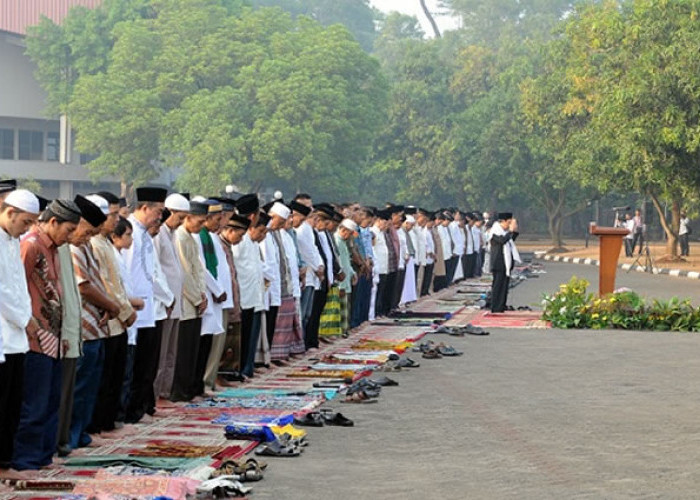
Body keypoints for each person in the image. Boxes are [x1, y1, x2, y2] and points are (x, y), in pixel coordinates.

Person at [14, 199, 80, 471]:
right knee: (35, 404)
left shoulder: (54, 248)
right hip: (34, 338)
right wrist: (30, 324)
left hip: (53, 337)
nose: (71, 236)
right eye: (69, 229)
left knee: (52, 400)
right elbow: (17, 288)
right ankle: (25, 459)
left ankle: (43, 456)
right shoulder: (31, 244)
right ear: (53, 222)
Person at [0, 189, 40, 478]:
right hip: (4, 331)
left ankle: (6, 461)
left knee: (13, 403)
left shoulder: (13, 241)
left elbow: (19, 286)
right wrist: (24, 318)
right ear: (9, 212)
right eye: (25, 222)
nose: (27, 229)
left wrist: (29, 316)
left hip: (16, 336)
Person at [123, 187, 167, 423]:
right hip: (135, 309)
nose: (159, 216)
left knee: (146, 363)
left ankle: (139, 409)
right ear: (144, 208)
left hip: (148, 307)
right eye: (158, 211)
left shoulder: (144, 234)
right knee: (137, 364)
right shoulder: (132, 233)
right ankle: (132, 412)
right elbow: (127, 272)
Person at [170, 201, 208, 401]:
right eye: (199, 222)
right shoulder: (179, 238)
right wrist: (196, 297)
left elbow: (199, 270)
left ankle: (189, 389)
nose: (201, 226)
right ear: (188, 218)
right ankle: (180, 392)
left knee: (192, 348)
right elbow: (183, 272)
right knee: (183, 350)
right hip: (185, 302)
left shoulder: (191, 238)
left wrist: (202, 294)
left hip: (196, 301)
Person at [490, 212, 521, 313]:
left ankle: (501, 306)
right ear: (502, 221)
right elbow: (502, 241)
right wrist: (510, 231)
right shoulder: (495, 231)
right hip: (498, 263)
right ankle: (495, 307)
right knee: (497, 286)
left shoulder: (504, 232)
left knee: (504, 287)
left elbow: (510, 240)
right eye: (508, 222)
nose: (509, 225)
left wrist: (514, 231)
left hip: (506, 264)